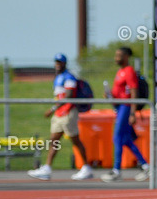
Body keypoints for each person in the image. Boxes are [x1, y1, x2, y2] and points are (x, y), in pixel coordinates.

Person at [28, 53, 94, 181]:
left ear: (64, 63)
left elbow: (68, 95)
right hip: (59, 113)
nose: (57, 64)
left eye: (60, 62)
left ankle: (86, 167)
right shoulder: (58, 77)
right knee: (54, 140)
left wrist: (53, 109)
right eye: (56, 62)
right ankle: (47, 168)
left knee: (75, 140)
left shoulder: (69, 77)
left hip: (68, 112)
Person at [102, 47, 150, 182]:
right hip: (119, 106)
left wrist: (133, 113)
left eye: (119, 55)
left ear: (126, 56)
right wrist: (109, 95)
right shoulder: (120, 71)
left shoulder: (129, 71)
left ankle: (116, 170)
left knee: (117, 137)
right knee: (126, 140)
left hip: (126, 107)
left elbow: (133, 92)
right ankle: (146, 166)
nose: (116, 58)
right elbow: (120, 91)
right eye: (116, 55)